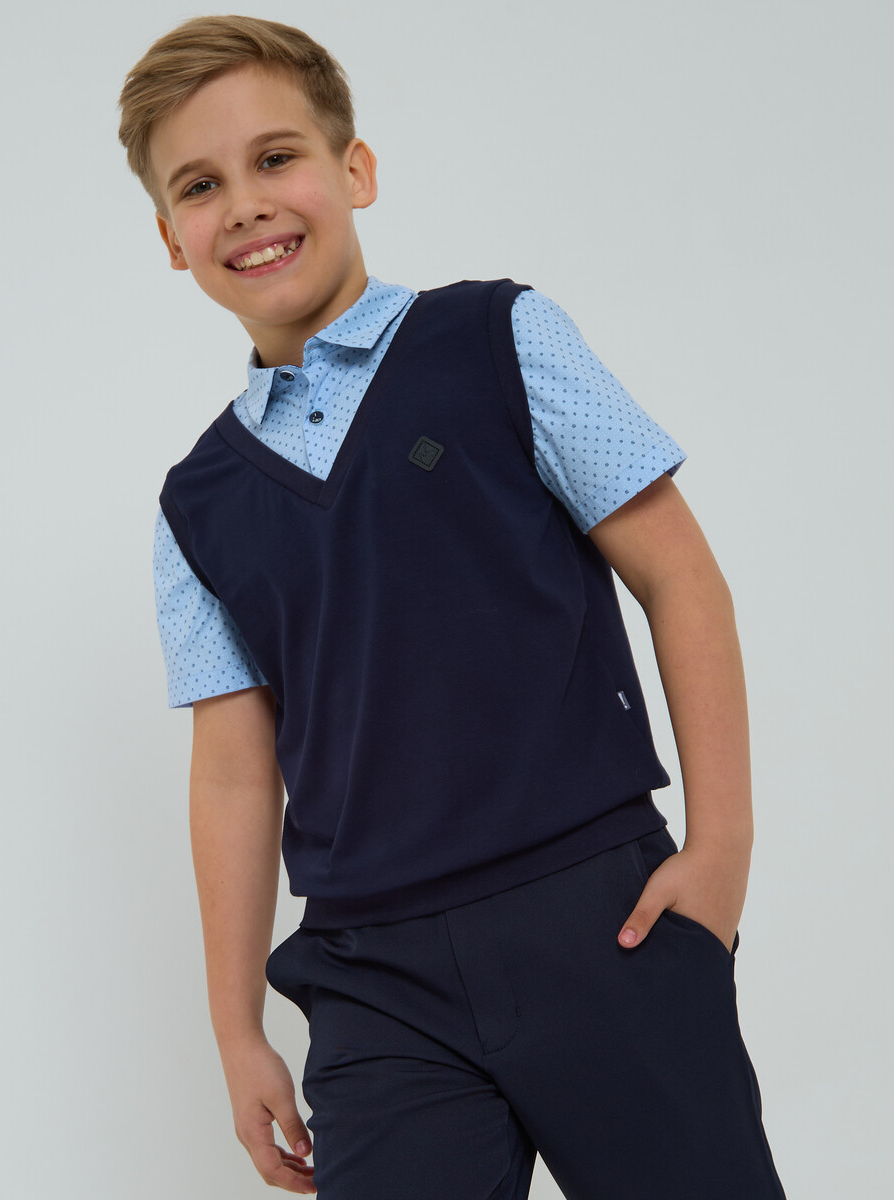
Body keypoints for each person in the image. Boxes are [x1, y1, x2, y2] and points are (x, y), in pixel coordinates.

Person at [119, 14, 788, 1199]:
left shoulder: (499, 338)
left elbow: (680, 575)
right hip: (373, 979)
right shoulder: (196, 505)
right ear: (172, 239)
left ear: (355, 169)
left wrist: (720, 850)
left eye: (277, 158)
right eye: (201, 186)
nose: (247, 206)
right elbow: (231, 770)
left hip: (603, 916)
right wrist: (235, 1029)